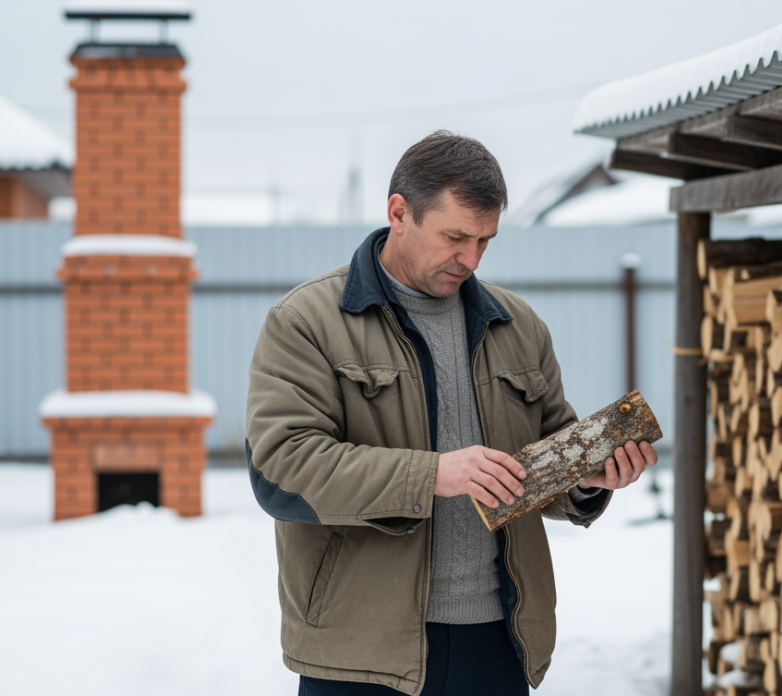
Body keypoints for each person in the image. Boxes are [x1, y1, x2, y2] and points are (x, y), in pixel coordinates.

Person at [245, 131, 658, 696]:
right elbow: (280, 471)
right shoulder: (306, 321)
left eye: (485, 241)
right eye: (455, 236)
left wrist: (585, 480)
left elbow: (541, 460)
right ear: (399, 212)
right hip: (360, 654)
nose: (471, 258)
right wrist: (434, 474)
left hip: (496, 646)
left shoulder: (520, 325)